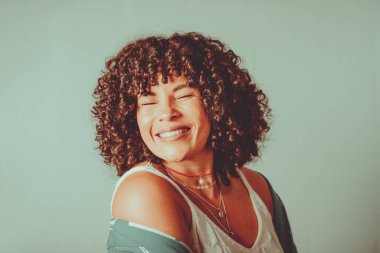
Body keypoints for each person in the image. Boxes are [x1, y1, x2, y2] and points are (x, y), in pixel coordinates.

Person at [92, 32, 297, 253]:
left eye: (183, 96)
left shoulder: (258, 188)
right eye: (148, 101)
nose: (167, 113)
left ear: (216, 101)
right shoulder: (143, 192)